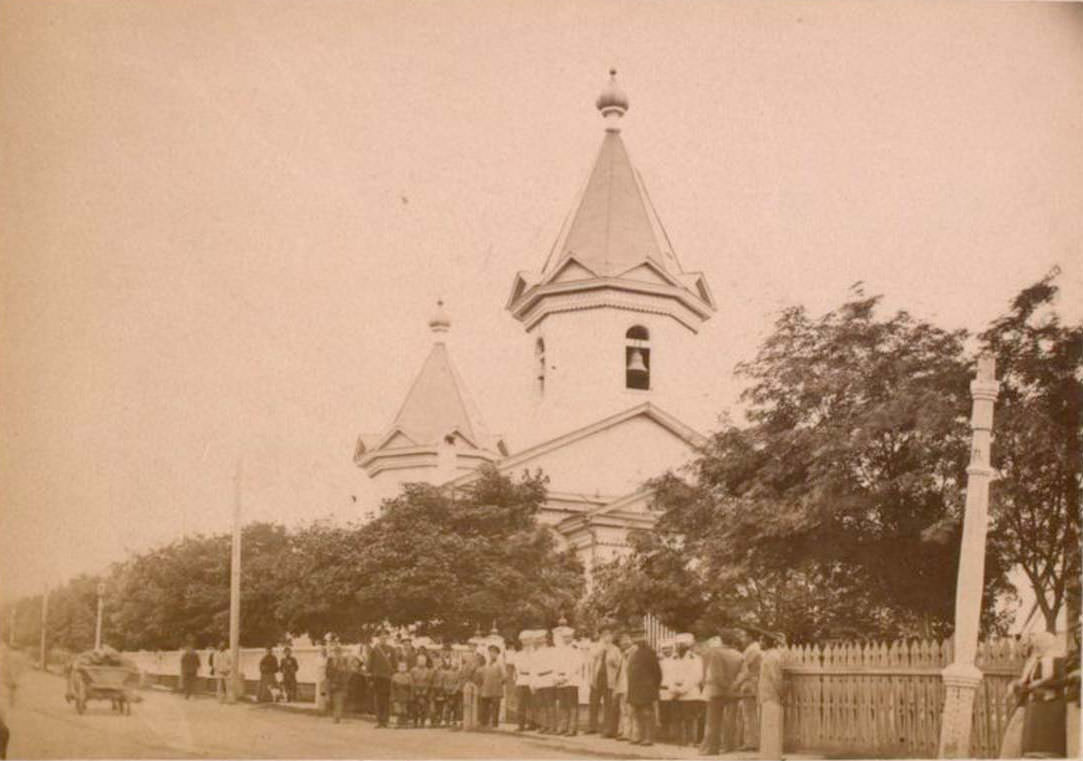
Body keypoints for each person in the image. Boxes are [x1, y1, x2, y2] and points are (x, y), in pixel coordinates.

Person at [1020, 630, 1068, 758]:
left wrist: (1039, 684)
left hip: (1050, 705)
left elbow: (1061, 681)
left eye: (1039, 645)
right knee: (1033, 744)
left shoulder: (1057, 660)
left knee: (1047, 745)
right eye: (1036, 645)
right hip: (1035, 705)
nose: (1037, 647)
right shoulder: (1035, 661)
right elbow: (1027, 681)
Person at [699, 630, 743, 755]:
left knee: (713, 721)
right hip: (734, 692)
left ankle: (711, 748)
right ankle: (729, 746)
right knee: (731, 720)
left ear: (722, 640)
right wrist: (734, 686)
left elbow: (717, 675)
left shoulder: (715, 653)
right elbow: (743, 673)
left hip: (717, 691)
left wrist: (725, 687)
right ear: (733, 641)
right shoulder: (739, 655)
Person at [625, 623, 662, 746]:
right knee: (636, 713)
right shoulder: (631, 652)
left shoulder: (650, 652)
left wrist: (652, 686)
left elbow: (657, 672)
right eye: (635, 636)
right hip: (634, 688)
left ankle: (648, 738)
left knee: (647, 713)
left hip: (646, 688)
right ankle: (638, 736)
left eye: (640, 636)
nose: (637, 639)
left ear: (644, 636)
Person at [588, 625, 621, 737]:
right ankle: (592, 726)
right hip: (597, 678)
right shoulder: (596, 647)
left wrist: (613, 662)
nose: (606, 637)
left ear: (612, 636)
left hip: (609, 679)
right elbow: (592, 658)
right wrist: (602, 648)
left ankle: (607, 728)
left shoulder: (616, 649)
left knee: (608, 705)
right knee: (593, 703)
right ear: (601, 636)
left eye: (608, 634)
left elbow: (619, 665)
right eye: (603, 635)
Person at [758, 632, 787, 760]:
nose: (760, 643)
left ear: (767, 642)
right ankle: (769, 756)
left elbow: (776, 678)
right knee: (769, 728)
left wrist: (781, 694)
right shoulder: (769, 656)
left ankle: (772, 757)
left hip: (772, 696)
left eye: (761, 641)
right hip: (767, 696)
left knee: (772, 728)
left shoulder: (772, 657)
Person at [675, 633, 705, 747]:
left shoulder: (695, 659)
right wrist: (675, 689)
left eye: (681, 645)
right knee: (678, 718)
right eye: (678, 645)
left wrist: (682, 690)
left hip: (691, 693)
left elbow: (697, 677)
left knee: (690, 719)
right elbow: (672, 675)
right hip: (676, 693)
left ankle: (691, 740)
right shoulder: (675, 658)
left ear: (687, 646)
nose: (678, 647)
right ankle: (680, 740)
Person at [737, 631, 763, 751]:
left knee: (749, 714)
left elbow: (745, 670)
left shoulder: (752, 650)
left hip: (750, 684)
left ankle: (751, 743)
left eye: (744, 636)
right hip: (754, 682)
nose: (742, 638)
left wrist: (736, 684)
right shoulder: (756, 648)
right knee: (750, 714)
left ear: (750, 637)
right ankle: (752, 741)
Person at [553, 625, 580, 736]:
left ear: (572, 637)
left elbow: (576, 666)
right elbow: (555, 664)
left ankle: (572, 728)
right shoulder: (559, 650)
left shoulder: (575, 649)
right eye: (564, 637)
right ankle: (563, 727)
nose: (566, 639)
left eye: (568, 637)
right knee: (562, 704)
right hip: (560, 680)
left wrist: (566, 677)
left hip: (571, 680)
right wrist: (556, 677)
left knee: (572, 705)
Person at [368, 633, 396, 728]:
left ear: (387, 639)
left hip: (387, 678)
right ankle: (380, 720)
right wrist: (371, 678)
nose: (383, 640)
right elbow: (370, 664)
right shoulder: (375, 650)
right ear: (379, 639)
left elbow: (394, 663)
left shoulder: (391, 649)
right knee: (378, 700)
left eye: (385, 638)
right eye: (381, 638)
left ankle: (386, 721)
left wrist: (394, 674)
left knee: (387, 700)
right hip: (377, 677)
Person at [511, 631, 535, 731]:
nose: (526, 642)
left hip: (532, 679)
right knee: (521, 704)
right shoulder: (518, 654)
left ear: (532, 640)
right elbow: (516, 668)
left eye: (528, 640)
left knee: (533, 704)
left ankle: (533, 724)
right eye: (524, 640)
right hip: (521, 680)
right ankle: (521, 725)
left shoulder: (536, 653)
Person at [478, 645, 505, 729]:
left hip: (496, 689)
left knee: (495, 707)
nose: (492, 654)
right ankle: (484, 722)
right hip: (486, 688)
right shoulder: (487, 663)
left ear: (497, 654)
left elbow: (504, 676)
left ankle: (494, 723)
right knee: (484, 705)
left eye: (494, 652)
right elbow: (482, 674)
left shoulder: (500, 663)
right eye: (490, 652)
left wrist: (498, 683)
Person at [326, 644, 352, 723]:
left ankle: (337, 717)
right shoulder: (330, 660)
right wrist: (330, 680)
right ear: (334, 653)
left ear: (341, 653)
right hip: (332, 682)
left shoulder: (344, 661)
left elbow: (347, 672)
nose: (337, 654)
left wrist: (345, 680)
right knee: (332, 700)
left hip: (341, 683)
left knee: (339, 700)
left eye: (339, 652)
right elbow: (327, 671)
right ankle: (335, 715)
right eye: (336, 652)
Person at [658, 638, 677, 742]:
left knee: (673, 712)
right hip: (662, 689)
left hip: (673, 689)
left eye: (668, 648)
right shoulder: (660, 661)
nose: (666, 651)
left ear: (672, 649)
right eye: (664, 649)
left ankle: (674, 735)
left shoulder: (677, 660)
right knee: (663, 712)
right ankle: (664, 734)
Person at [410, 652, 435, 727]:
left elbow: (429, 681)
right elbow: (411, 681)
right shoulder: (413, 670)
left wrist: (425, 691)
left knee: (424, 707)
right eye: (420, 660)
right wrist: (416, 690)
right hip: (415, 690)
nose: (421, 662)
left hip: (425, 691)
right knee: (415, 707)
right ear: (417, 661)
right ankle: (415, 722)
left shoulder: (428, 671)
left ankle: (422, 722)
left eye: (423, 661)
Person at [390, 661, 413, 728]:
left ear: (406, 668)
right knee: (398, 709)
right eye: (401, 667)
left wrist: (411, 696)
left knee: (404, 709)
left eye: (404, 667)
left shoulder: (408, 676)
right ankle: (399, 723)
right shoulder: (395, 676)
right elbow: (392, 688)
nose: (402, 668)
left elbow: (411, 687)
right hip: (397, 695)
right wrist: (393, 697)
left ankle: (405, 723)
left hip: (406, 695)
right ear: (398, 668)